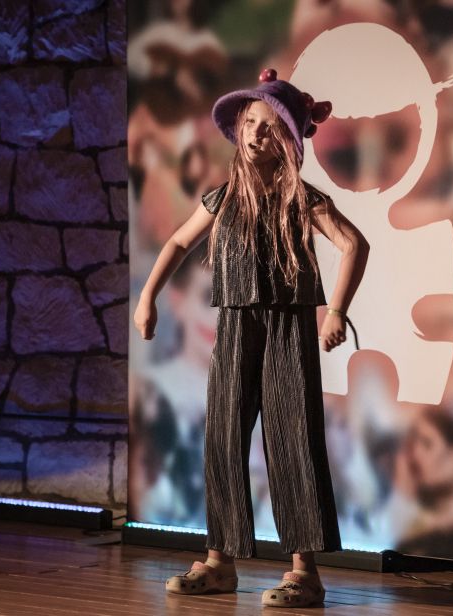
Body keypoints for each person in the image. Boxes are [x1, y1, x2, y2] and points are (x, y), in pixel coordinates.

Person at [133, 67, 369, 608]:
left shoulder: (302, 199)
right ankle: (219, 562)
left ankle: (304, 572)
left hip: (288, 326)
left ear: (289, 139)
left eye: (270, 126)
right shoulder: (222, 200)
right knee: (223, 436)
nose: (258, 134)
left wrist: (336, 311)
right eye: (251, 123)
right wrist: (147, 297)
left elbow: (354, 245)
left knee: (293, 439)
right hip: (236, 325)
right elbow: (177, 242)